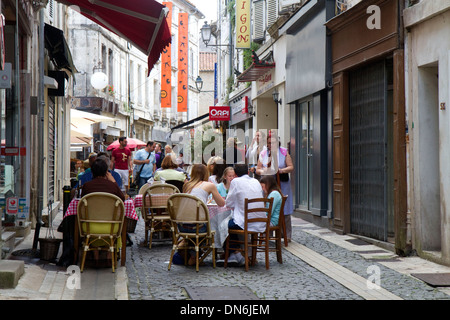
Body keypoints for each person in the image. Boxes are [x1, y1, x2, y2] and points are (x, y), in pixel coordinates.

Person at [256, 132, 294, 241]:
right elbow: (258, 169)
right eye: (268, 143)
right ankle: (268, 233)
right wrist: (264, 170)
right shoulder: (263, 153)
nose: (270, 145)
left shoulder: (284, 152)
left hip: (282, 182)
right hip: (267, 184)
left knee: (284, 207)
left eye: (272, 142)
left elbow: (291, 167)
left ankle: (286, 234)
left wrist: (282, 170)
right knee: (268, 206)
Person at [225, 163, 265, 265]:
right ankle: (245, 254)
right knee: (236, 221)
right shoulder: (256, 181)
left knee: (225, 225)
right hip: (260, 221)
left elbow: (228, 203)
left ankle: (235, 252)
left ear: (235, 174)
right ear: (248, 172)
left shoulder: (235, 181)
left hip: (245, 223)